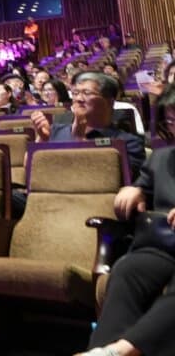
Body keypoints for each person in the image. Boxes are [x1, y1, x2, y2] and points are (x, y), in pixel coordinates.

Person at [78, 145, 175, 356]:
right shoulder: (161, 158)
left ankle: (120, 351)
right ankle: (99, 351)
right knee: (128, 270)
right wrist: (135, 191)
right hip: (164, 249)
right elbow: (143, 190)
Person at [31, 71, 146, 179]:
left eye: (87, 93)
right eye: (75, 93)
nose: (78, 99)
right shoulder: (55, 130)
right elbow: (32, 173)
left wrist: (79, 139)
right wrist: (42, 139)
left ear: (109, 101)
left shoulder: (129, 143)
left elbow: (108, 180)